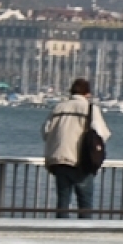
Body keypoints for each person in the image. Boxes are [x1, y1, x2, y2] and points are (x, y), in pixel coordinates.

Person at [43, 78, 110, 218]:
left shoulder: (59, 107)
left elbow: (45, 131)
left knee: (62, 202)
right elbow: (102, 133)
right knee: (85, 204)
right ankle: (83, 235)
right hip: (81, 161)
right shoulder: (90, 109)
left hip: (59, 160)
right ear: (87, 93)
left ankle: (60, 234)